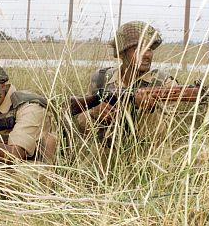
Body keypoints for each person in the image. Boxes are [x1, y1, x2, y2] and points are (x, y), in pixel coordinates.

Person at [76, 21, 178, 168]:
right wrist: (93, 113)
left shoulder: (165, 85)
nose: (146, 54)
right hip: (102, 161)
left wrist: (147, 111)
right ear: (122, 53)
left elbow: (163, 135)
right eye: (138, 48)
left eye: (149, 48)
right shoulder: (101, 79)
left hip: (148, 163)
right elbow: (80, 127)